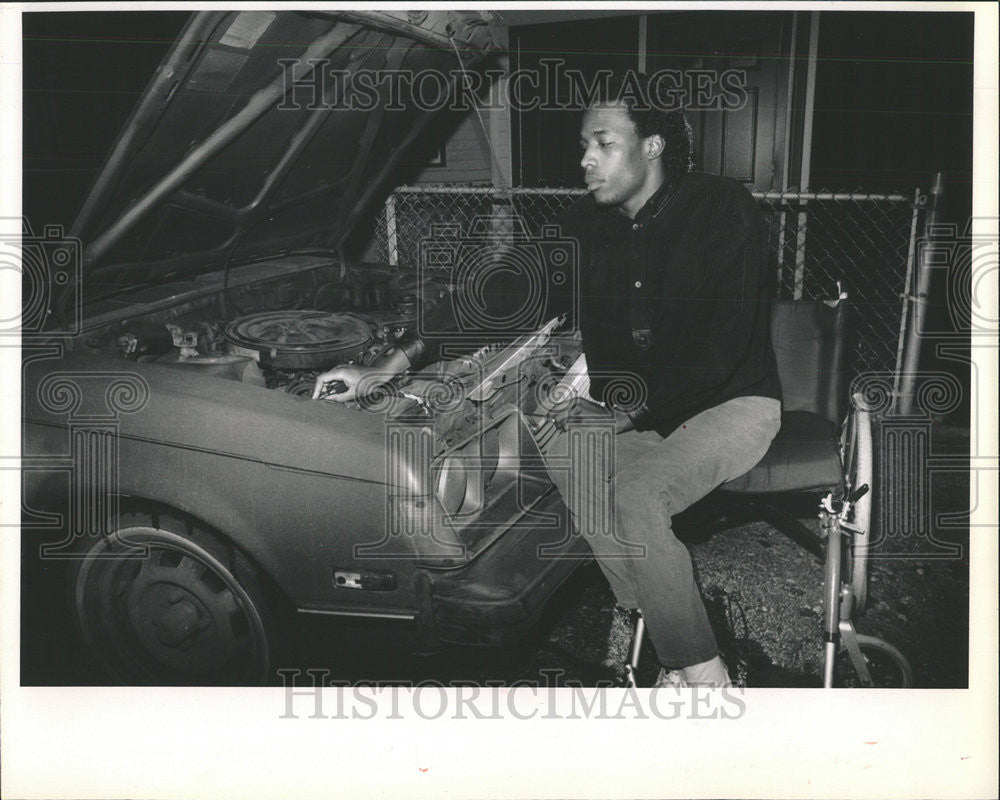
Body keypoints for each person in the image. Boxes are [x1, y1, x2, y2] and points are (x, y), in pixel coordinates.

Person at [315, 72, 782, 687]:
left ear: (653, 145)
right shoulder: (585, 224)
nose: (585, 159)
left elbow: (718, 347)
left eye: (603, 142)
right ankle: (646, 605)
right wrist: (392, 363)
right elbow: (502, 297)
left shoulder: (723, 209)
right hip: (636, 409)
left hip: (732, 402)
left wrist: (624, 411)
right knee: (560, 439)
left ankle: (700, 673)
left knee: (637, 496)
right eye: (583, 145)